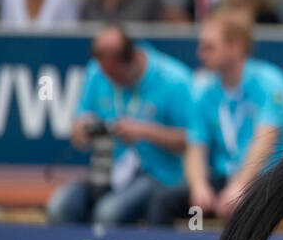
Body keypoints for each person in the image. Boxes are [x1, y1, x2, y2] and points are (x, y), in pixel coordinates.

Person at [47, 26, 194, 226]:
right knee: (60, 206)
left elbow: (192, 140)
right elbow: (77, 129)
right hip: (108, 172)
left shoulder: (175, 80)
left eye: (115, 75)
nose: (109, 79)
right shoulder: (97, 71)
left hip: (158, 175)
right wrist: (82, 130)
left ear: (131, 60)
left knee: (108, 213)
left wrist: (145, 132)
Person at [178, 7, 283, 221]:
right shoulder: (205, 91)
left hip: (268, 178)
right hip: (223, 177)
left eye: (209, 47)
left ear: (236, 47)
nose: (200, 54)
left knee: (243, 203)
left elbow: (265, 141)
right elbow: (195, 147)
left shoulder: (270, 82)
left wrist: (240, 185)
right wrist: (199, 185)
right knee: (166, 200)